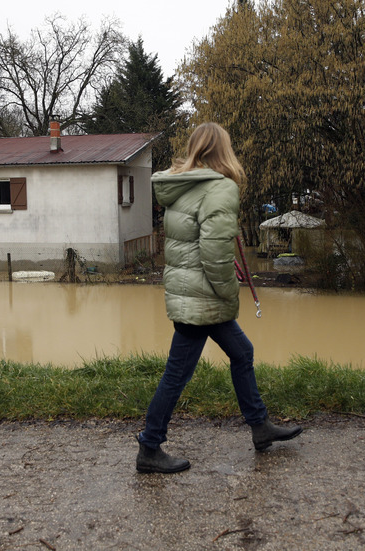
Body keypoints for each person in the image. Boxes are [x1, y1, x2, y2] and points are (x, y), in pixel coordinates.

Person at [136, 122, 302, 474]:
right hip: (205, 297)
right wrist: (229, 294)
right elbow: (212, 252)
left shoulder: (182, 187)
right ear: (222, 150)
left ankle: (260, 428)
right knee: (177, 373)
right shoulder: (220, 188)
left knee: (242, 353)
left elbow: (196, 244)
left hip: (190, 291)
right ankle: (149, 447)